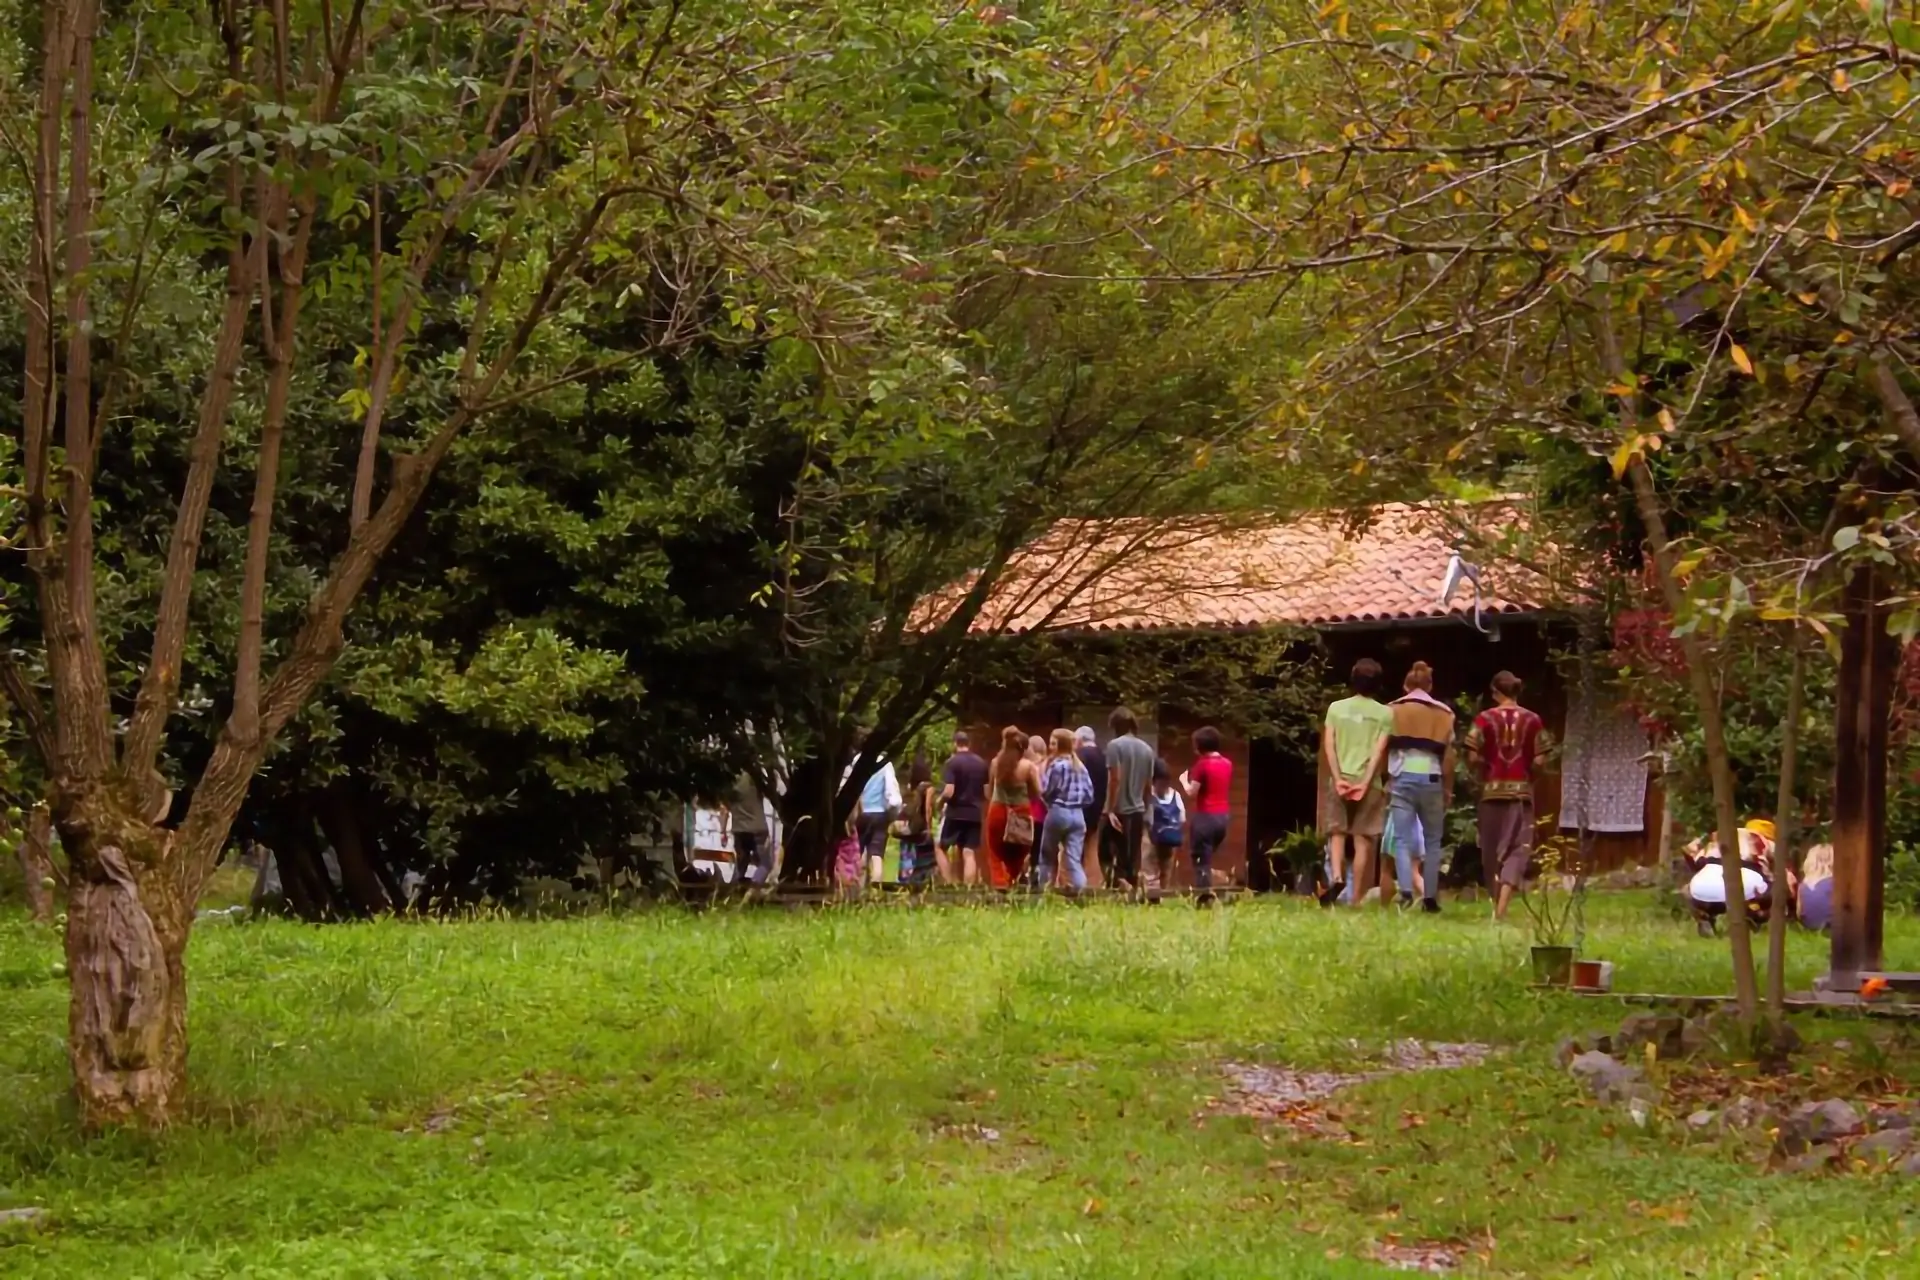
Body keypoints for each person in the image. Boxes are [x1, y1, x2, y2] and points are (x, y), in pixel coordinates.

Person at [1464, 671, 1553, 921]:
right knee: (1518, 850)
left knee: (1490, 851)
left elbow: (1471, 754)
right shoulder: (1533, 720)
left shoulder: (1483, 719)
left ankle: (1495, 906)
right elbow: (1540, 758)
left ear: (1495, 693)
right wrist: (1529, 775)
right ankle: (1501, 909)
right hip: (1521, 793)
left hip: (1492, 793)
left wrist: (1483, 768)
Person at [1319, 659, 1393, 907]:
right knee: (1363, 839)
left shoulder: (1336, 709)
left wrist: (1339, 778)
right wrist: (1365, 782)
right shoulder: (1384, 713)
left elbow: (1329, 745)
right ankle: (1356, 898)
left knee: (1337, 833)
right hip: (1369, 785)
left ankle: (1337, 878)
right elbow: (1378, 752)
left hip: (1340, 779)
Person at [1386, 661, 1456, 914]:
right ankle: (1430, 897)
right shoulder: (1445, 714)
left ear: (1406, 685)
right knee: (1433, 840)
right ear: (1430, 685)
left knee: (1402, 839)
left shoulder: (1392, 710)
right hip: (1431, 779)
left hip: (1401, 777)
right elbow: (1448, 759)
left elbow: (1383, 747)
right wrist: (1448, 789)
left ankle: (1405, 890)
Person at [1103, 706, 1155, 894]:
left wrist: (1110, 809)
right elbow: (1149, 784)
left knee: (1110, 853)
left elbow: (1115, 778)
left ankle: (1117, 889)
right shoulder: (1147, 749)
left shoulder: (1114, 746)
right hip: (1138, 809)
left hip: (1119, 810)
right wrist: (1146, 806)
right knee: (1133, 856)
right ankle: (1133, 891)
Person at [1036, 729, 1095, 893]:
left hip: (1058, 811)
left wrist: (1049, 800)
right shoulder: (1081, 767)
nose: (1050, 747)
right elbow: (1090, 795)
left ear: (1060, 745)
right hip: (1078, 815)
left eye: (1053, 743)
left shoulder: (1056, 766)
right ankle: (1081, 891)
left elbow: (1046, 790)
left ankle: (1042, 891)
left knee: (1047, 856)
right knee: (1073, 860)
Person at [1685, 827, 1771, 935]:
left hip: (1707, 885)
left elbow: (1688, 851)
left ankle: (1705, 916)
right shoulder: (1762, 840)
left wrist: (1696, 872)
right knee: (1767, 891)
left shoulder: (1717, 836)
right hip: (1745, 886)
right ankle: (1753, 915)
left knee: (1689, 889)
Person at [983, 726, 1040, 889]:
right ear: (1023, 748)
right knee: (1018, 851)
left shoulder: (995, 763)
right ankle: (1011, 880)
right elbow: (1037, 792)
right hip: (1021, 811)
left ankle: (999, 883)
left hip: (998, 809)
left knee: (995, 851)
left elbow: (990, 788)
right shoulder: (1028, 767)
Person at [1185, 726, 1233, 904]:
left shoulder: (1202, 764)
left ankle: (1205, 898)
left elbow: (1192, 792)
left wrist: (1184, 781)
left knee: (1200, 859)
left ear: (1199, 746)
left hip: (1205, 816)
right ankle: (1215, 886)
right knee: (1207, 857)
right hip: (1223, 817)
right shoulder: (1227, 764)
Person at [848, 733, 901, 888]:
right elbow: (892, 793)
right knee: (876, 854)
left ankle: (857, 888)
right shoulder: (884, 763)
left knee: (858, 852)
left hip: (860, 814)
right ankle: (876, 888)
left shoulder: (854, 762)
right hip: (879, 814)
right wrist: (893, 813)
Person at [937, 730, 988, 886]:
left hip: (956, 812)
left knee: (940, 847)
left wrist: (939, 802)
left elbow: (949, 791)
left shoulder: (952, 763)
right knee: (969, 851)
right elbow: (987, 792)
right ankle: (968, 888)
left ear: (955, 743)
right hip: (975, 813)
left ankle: (949, 883)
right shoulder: (981, 763)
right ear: (969, 744)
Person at [1147, 758, 1186, 900]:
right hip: (1171, 838)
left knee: (1152, 869)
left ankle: (1156, 898)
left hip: (1154, 839)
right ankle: (1159, 896)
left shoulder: (1149, 795)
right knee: (1165, 871)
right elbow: (1182, 818)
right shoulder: (1176, 795)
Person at [726, 771, 772, 887]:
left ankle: (734, 888)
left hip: (739, 828)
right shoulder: (754, 777)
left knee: (741, 862)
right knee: (765, 863)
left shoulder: (730, 781)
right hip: (757, 827)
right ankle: (755, 886)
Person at [1074, 727, 1108, 883]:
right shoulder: (1103, 756)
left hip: (1080, 810)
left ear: (1080, 740)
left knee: (1074, 852)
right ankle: (1093, 884)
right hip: (1098, 810)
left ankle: (1076, 886)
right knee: (1092, 850)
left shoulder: (1080, 756)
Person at [899, 753, 937, 889]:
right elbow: (927, 808)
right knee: (925, 857)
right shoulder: (929, 788)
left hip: (910, 826)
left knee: (906, 853)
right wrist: (929, 826)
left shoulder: (911, 787)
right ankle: (922, 882)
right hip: (921, 826)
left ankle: (905, 879)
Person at [1797, 842, 1834, 932]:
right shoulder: (1834, 882)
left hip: (1809, 925)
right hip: (1831, 925)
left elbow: (1799, 912)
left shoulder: (1803, 885)